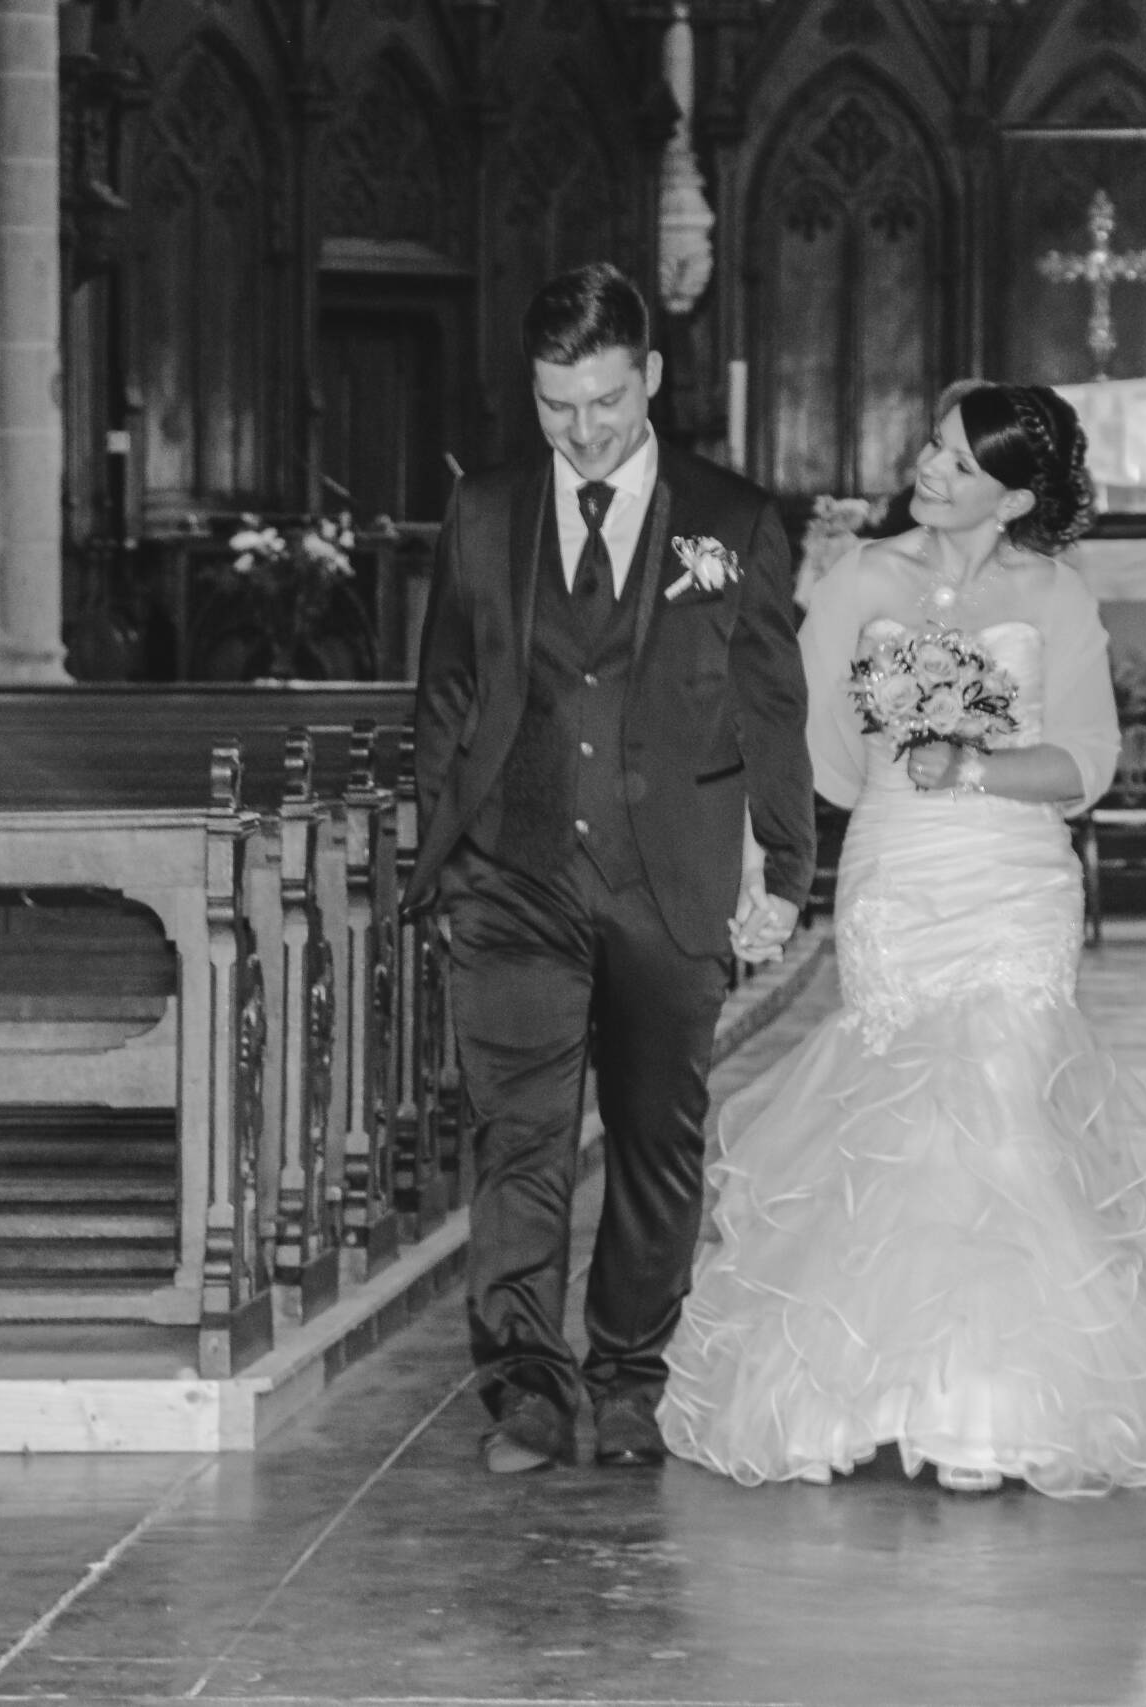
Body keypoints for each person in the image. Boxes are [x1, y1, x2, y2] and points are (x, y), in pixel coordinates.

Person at [659, 383, 1146, 1497]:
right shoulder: (859, 578)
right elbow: (800, 747)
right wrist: (838, 804)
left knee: (1003, 1122)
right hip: (897, 878)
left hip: (1011, 883)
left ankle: (991, 1407)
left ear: (1014, 495)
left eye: (962, 464)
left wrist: (971, 764)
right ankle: (876, 1393)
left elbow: (1085, 765)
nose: (931, 470)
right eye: (932, 446)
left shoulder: (1054, 594)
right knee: (897, 1122)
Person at [409, 263, 818, 1475]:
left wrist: (785, 872)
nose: (581, 432)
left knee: (654, 1141)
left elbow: (772, 710)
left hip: (670, 880)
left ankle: (630, 1376)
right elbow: (445, 692)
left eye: (602, 402)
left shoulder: (732, 519)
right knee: (517, 1141)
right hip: (512, 879)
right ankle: (525, 1389)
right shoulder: (485, 514)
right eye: (554, 407)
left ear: (650, 377)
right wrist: (441, 856)